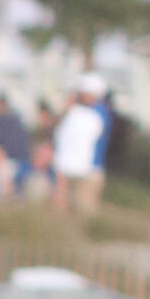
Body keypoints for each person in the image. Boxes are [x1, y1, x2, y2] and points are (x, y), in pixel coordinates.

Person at [52, 82, 107, 211]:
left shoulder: (90, 116)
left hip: (83, 171)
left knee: (81, 210)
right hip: (71, 170)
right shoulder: (79, 116)